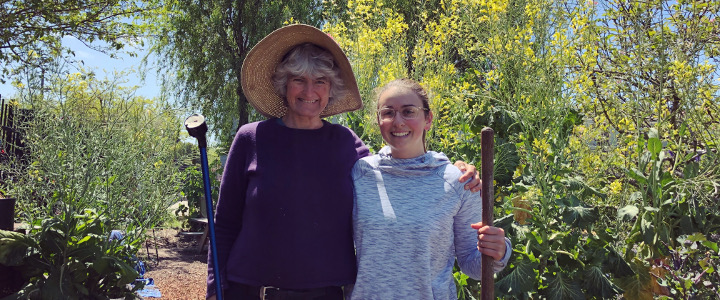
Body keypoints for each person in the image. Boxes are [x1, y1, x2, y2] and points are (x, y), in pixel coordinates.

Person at [207, 25, 481, 300]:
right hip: (251, 291)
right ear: (284, 84)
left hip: (325, 294)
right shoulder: (252, 138)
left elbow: (392, 172)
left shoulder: (346, 143)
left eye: (320, 81)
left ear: (331, 88)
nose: (309, 90)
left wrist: (447, 169)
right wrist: (214, 290)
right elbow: (225, 225)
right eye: (299, 80)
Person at [349, 78, 512, 299]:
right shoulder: (360, 174)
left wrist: (498, 250)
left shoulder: (458, 181)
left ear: (428, 119)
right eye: (388, 113)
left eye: (408, 111)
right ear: (379, 120)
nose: (398, 121)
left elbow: (472, 265)